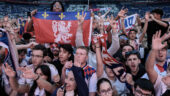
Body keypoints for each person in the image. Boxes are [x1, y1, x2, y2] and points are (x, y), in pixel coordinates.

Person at [145, 31, 170, 96]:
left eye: (163, 50)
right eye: (158, 50)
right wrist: (154, 49)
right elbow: (149, 69)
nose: (160, 52)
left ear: (167, 52)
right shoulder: (161, 80)